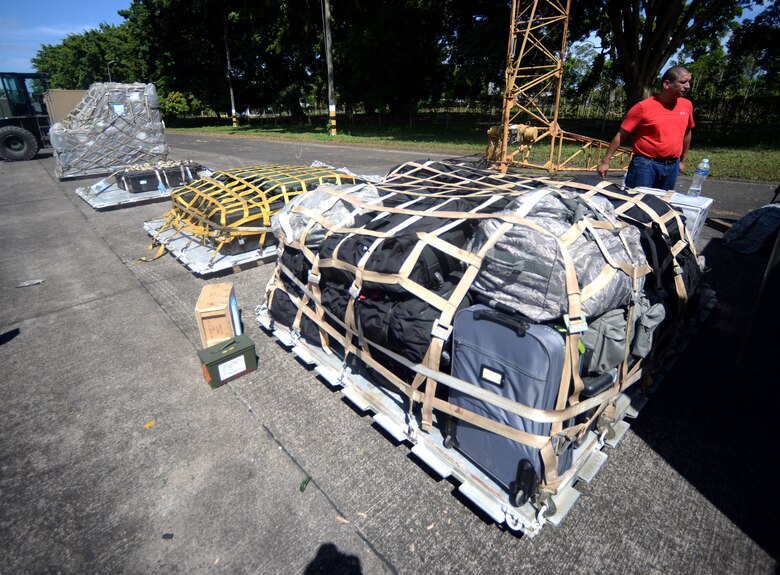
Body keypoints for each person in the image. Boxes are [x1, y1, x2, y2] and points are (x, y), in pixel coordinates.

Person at [597, 65, 695, 191]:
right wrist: (605, 161)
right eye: (683, 82)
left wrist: (683, 161)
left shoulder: (686, 106)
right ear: (666, 84)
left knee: (662, 204)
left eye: (689, 82)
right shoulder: (643, 107)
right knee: (636, 202)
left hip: (672, 165)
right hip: (645, 165)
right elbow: (622, 135)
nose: (687, 86)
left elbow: (687, 132)